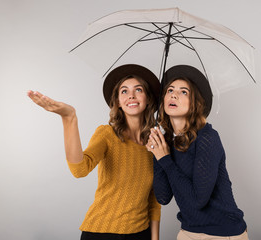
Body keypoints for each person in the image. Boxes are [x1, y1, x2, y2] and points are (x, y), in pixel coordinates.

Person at [27, 64, 161, 240]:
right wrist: (69, 118)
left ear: (148, 99)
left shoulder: (156, 145)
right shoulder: (107, 134)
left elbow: (154, 200)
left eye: (138, 90)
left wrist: (155, 238)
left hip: (141, 234)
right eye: (124, 91)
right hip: (102, 233)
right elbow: (79, 170)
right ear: (118, 102)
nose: (131, 96)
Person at [146, 65, 248, 240]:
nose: (174, 94)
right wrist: (157, 151)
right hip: (188, 232)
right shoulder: (167, 141)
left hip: (224, 233)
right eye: (170, 90)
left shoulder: (207, 137)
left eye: (183, 92)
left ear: (195, 103)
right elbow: (163, 197)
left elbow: (197, 201)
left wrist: (165, 158)